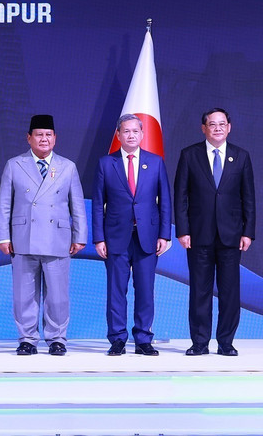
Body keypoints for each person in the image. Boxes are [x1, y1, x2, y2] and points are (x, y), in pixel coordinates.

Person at [0, 114, 86, 356]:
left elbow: (77, 204)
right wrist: (3, 237)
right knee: (24, 294)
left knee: (57, 295)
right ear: (29, 138)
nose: (44, 139)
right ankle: (27, 338)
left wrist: (80, 236)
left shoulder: (67, 167)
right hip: (23, 238)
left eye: (48, 135)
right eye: (39, 134)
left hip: (57, 238)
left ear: (55, 138)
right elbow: (5, 203)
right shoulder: (14, 165)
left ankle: (57, 338)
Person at [174, 108, 256, 356]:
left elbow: (249, 198)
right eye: (212, 124)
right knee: (200, 290)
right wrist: (183, 230)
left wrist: (248, 232)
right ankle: (199, 343)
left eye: (222, 124)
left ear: (229, 127)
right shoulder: (190, 155)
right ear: (204, 128)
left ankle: (226, 342)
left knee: (230, 292)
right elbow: (181, 197)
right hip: (198, 235)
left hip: (231, 236)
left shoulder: (241, 157)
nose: (218, 128)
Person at [92, 114, 171, 356]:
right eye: (126, 131)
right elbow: (98, 203)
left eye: (135, 131)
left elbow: (165, 201)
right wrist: (99, 238)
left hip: (148, 236)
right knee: (116, 290)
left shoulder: (155, 162)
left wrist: (165, 235)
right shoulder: (106, 163)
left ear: (142, 134)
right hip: (116, 237)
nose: (131, 135)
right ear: (118, 135)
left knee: (146, 289)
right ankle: (117, 338)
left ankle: (143, 339)